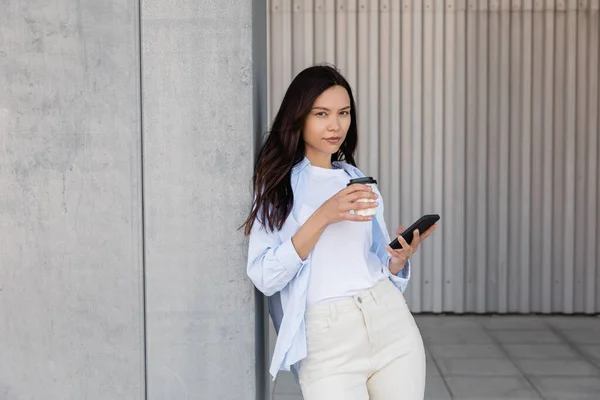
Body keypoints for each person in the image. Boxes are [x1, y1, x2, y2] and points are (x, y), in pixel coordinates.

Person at [241, 65, 437, 400]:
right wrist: (323, 216)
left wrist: (397, 260)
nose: (335, 125)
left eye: (343, 113)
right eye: (322, 113)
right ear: (298, 116)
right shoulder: (277, 187)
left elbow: (372, 261)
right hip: (326, 338)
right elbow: (264, 275)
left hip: (388, 319)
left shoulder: (355, 178)